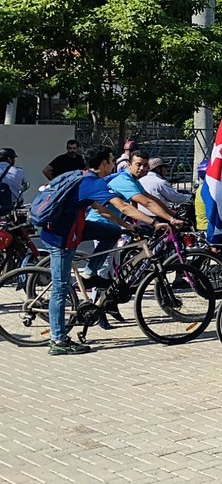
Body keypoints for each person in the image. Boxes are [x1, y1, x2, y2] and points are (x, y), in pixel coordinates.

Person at [40, 146, 166, 355]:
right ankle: (58, 341)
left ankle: (90, 273)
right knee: (61, 289)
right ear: (103, 164)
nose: (115, 163)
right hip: (60, 236)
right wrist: (153, 223)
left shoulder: (86, 178)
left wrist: (127, 227)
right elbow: (124, 207)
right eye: (111, 160)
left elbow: (103, 210)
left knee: (111, 232)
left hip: (75, 228)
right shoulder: (92, 183)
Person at [83, 150, 184, 285]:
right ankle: (93, 302)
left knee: (113, 272)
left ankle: (107, 303)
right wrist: (167, 220)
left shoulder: (133, 180)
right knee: (103, 271)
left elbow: (151, 199)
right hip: (101, 222)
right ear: (129, 165)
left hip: (114, 224)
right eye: (138, 164)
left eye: (145, 165)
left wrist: (173, 215)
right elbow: (145, 203)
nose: (142, 168)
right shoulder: (123, 180)